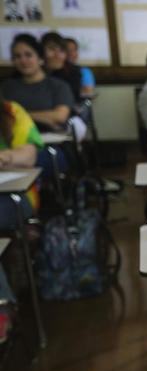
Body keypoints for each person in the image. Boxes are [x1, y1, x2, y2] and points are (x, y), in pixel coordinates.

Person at [0, 97, 44, 344]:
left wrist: (4, 156)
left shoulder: (11, 111)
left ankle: (3, 305)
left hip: (11, 195)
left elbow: (28, 156)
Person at [1, 34, 74, 134]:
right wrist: (44, 117)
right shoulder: (7, 87)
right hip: (13, 141)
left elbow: (59, 117)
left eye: (28, 55)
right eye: (17, 56)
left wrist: (19, 115)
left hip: (50, 143)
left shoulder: (59, 86)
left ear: (40, 59)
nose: (23, 60)